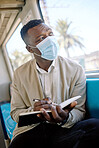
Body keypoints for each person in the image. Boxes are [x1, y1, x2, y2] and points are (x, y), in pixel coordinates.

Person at [9, 19, 99, 148]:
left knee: (95, 126)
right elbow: (15, 112)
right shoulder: (19, 73)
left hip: (64, 130)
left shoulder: (75, 69)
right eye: (41, 38)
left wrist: (65, 117)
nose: (49, 40)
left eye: (50, 34)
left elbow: (79, 110)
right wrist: (34, 111)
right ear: (30, 49)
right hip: (32, 131)